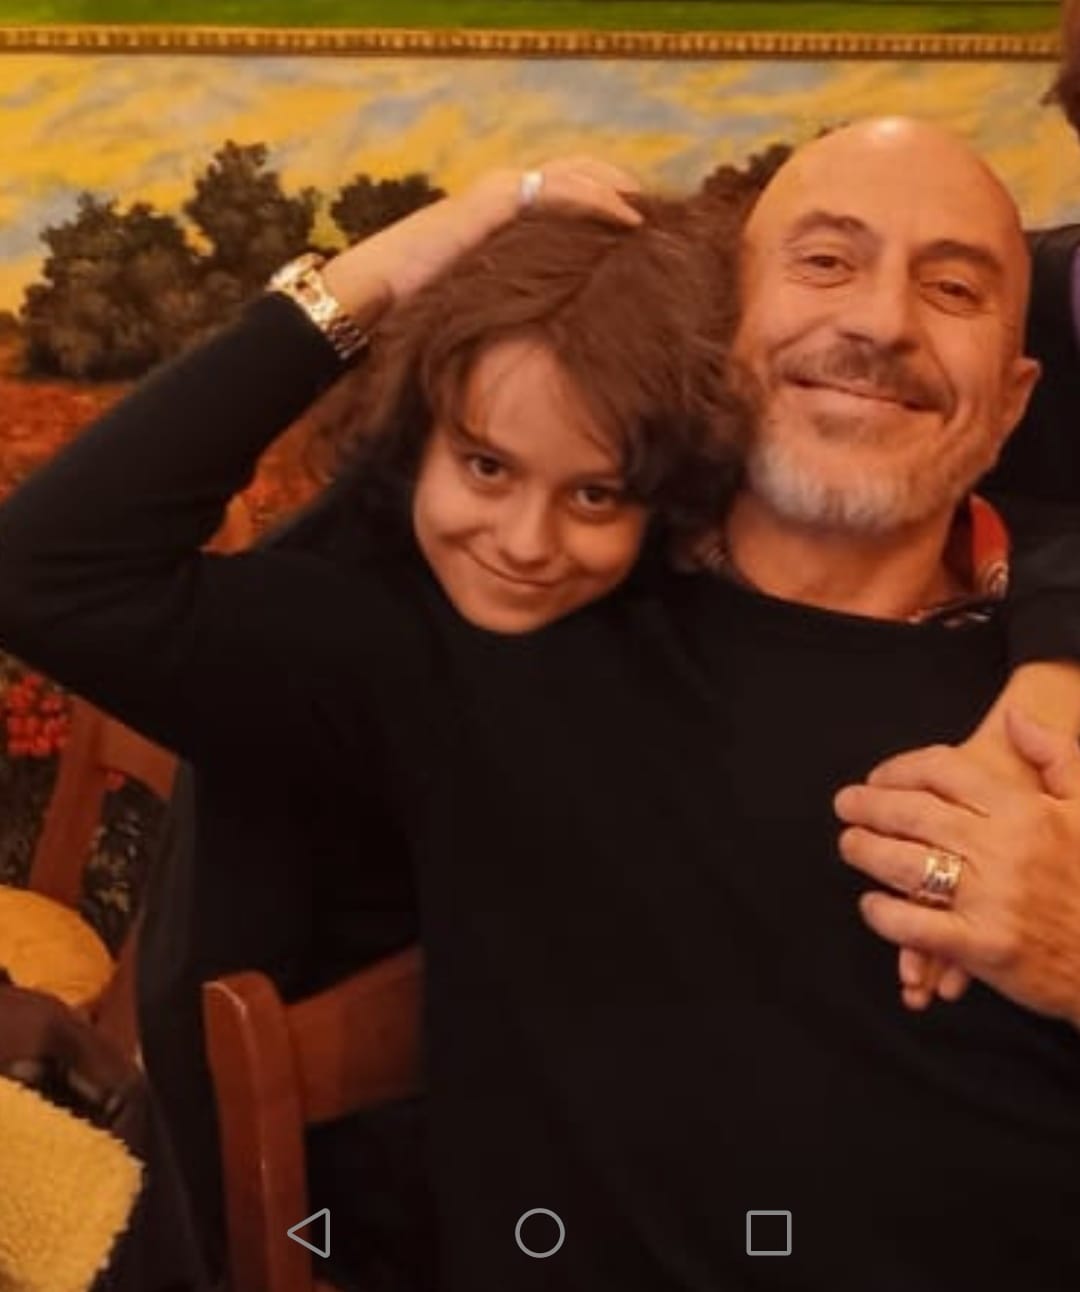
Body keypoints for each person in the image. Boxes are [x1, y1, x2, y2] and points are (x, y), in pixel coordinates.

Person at [3, 127, 1080, 1290]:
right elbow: (53, 570)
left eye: (955, 287)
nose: (881, 320)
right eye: (826, 261)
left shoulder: (1045, 664)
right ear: (721, 333)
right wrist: (408, 257)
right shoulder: (518, 633)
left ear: (1013, 400)